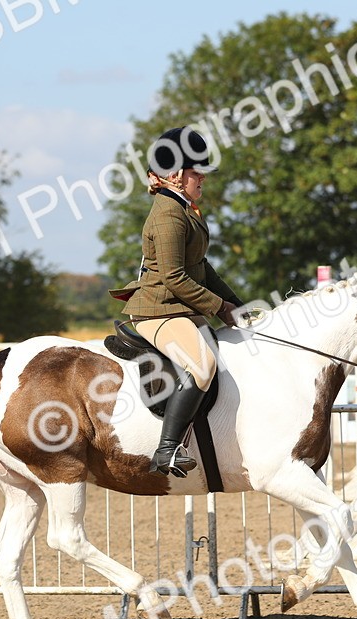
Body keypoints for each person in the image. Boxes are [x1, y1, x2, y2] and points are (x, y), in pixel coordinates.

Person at [109, 126, 244, 477]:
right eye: (195, 171)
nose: (202, 178)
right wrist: (219, 308)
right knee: (202, 366)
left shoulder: (185, 209)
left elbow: (201, 267)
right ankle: (168, 449)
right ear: (174, 175)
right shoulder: (168, 214)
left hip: (178, 308)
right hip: (159, 310)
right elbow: (175, 278)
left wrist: (235, 302)